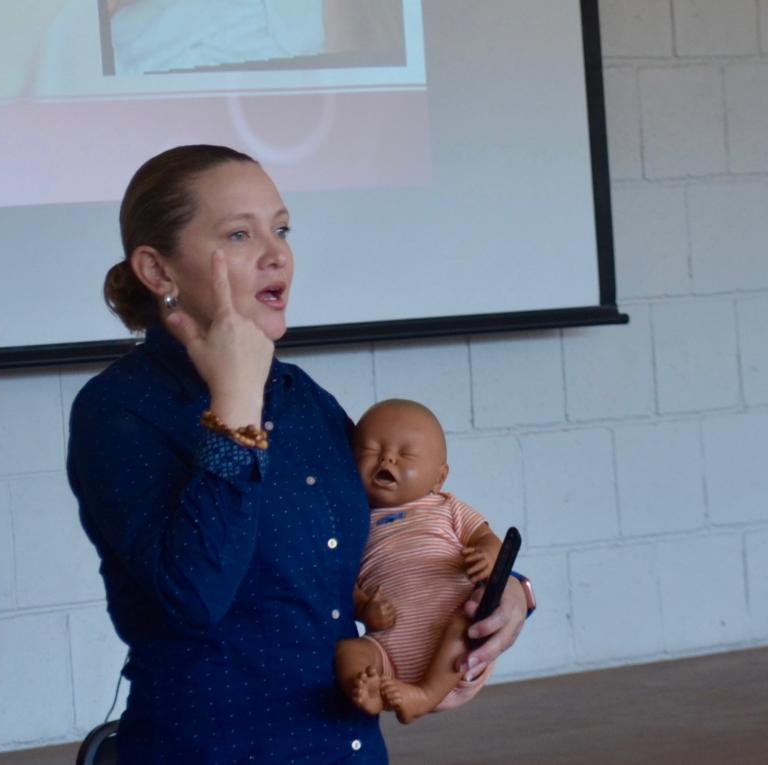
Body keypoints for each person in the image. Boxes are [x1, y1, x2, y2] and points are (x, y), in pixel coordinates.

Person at [67, 144, 530, 763]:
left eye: (281, 229)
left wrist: (510, 596)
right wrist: (234, 401)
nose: (275, 253)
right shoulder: (118, 410)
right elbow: (193, 596)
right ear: (158, 271)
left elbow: (398, 527)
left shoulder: (302, 399)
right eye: (238, 233)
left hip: (346, 746)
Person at [336, 399, 506, 724]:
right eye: (371, 450)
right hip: (387, 653)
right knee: (348, 652)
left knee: (465, 624)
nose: (387, 458)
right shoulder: (354, 523)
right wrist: (364, 608)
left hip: (452, 649)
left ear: (439, 477)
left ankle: (425, 695)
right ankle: (367, 692)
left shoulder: (446, 507)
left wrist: (487, 556)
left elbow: (489, 540)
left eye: (406, 454)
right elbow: (344, 583)